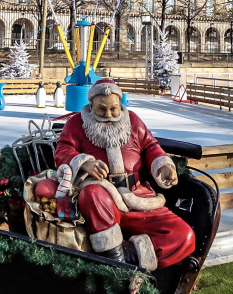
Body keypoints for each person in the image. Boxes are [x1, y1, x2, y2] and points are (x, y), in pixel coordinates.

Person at [54, 79, 195, 271]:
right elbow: (62, 151)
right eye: (102, 109)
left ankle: (119, 258)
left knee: (183, 236)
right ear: (91, 105)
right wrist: (85, 163)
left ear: (120, 104)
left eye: (113, 109)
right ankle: (112, 253)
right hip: (104, 200)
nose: (109, 115)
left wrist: (162, 166)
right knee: (92, 194)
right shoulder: (76, 124)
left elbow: (150, 146)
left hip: (139, 197)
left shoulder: (133, 120)